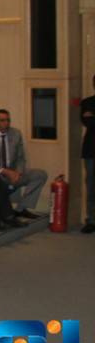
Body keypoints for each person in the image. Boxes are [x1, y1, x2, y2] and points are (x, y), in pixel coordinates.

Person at [0, 110, 47, 219]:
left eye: (8, 120)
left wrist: (18, 172)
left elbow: (20, 157)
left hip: (13, 171)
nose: (6, 123)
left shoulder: (16, 133)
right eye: (2, 120)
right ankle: (1, 210)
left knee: (40, 174)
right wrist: (5, 172)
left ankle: (21, 209)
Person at [83, 75, 95, 234]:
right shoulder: (87, 102)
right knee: (91, 186)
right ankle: (91, 220)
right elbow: (88, 122)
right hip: (91, 151)